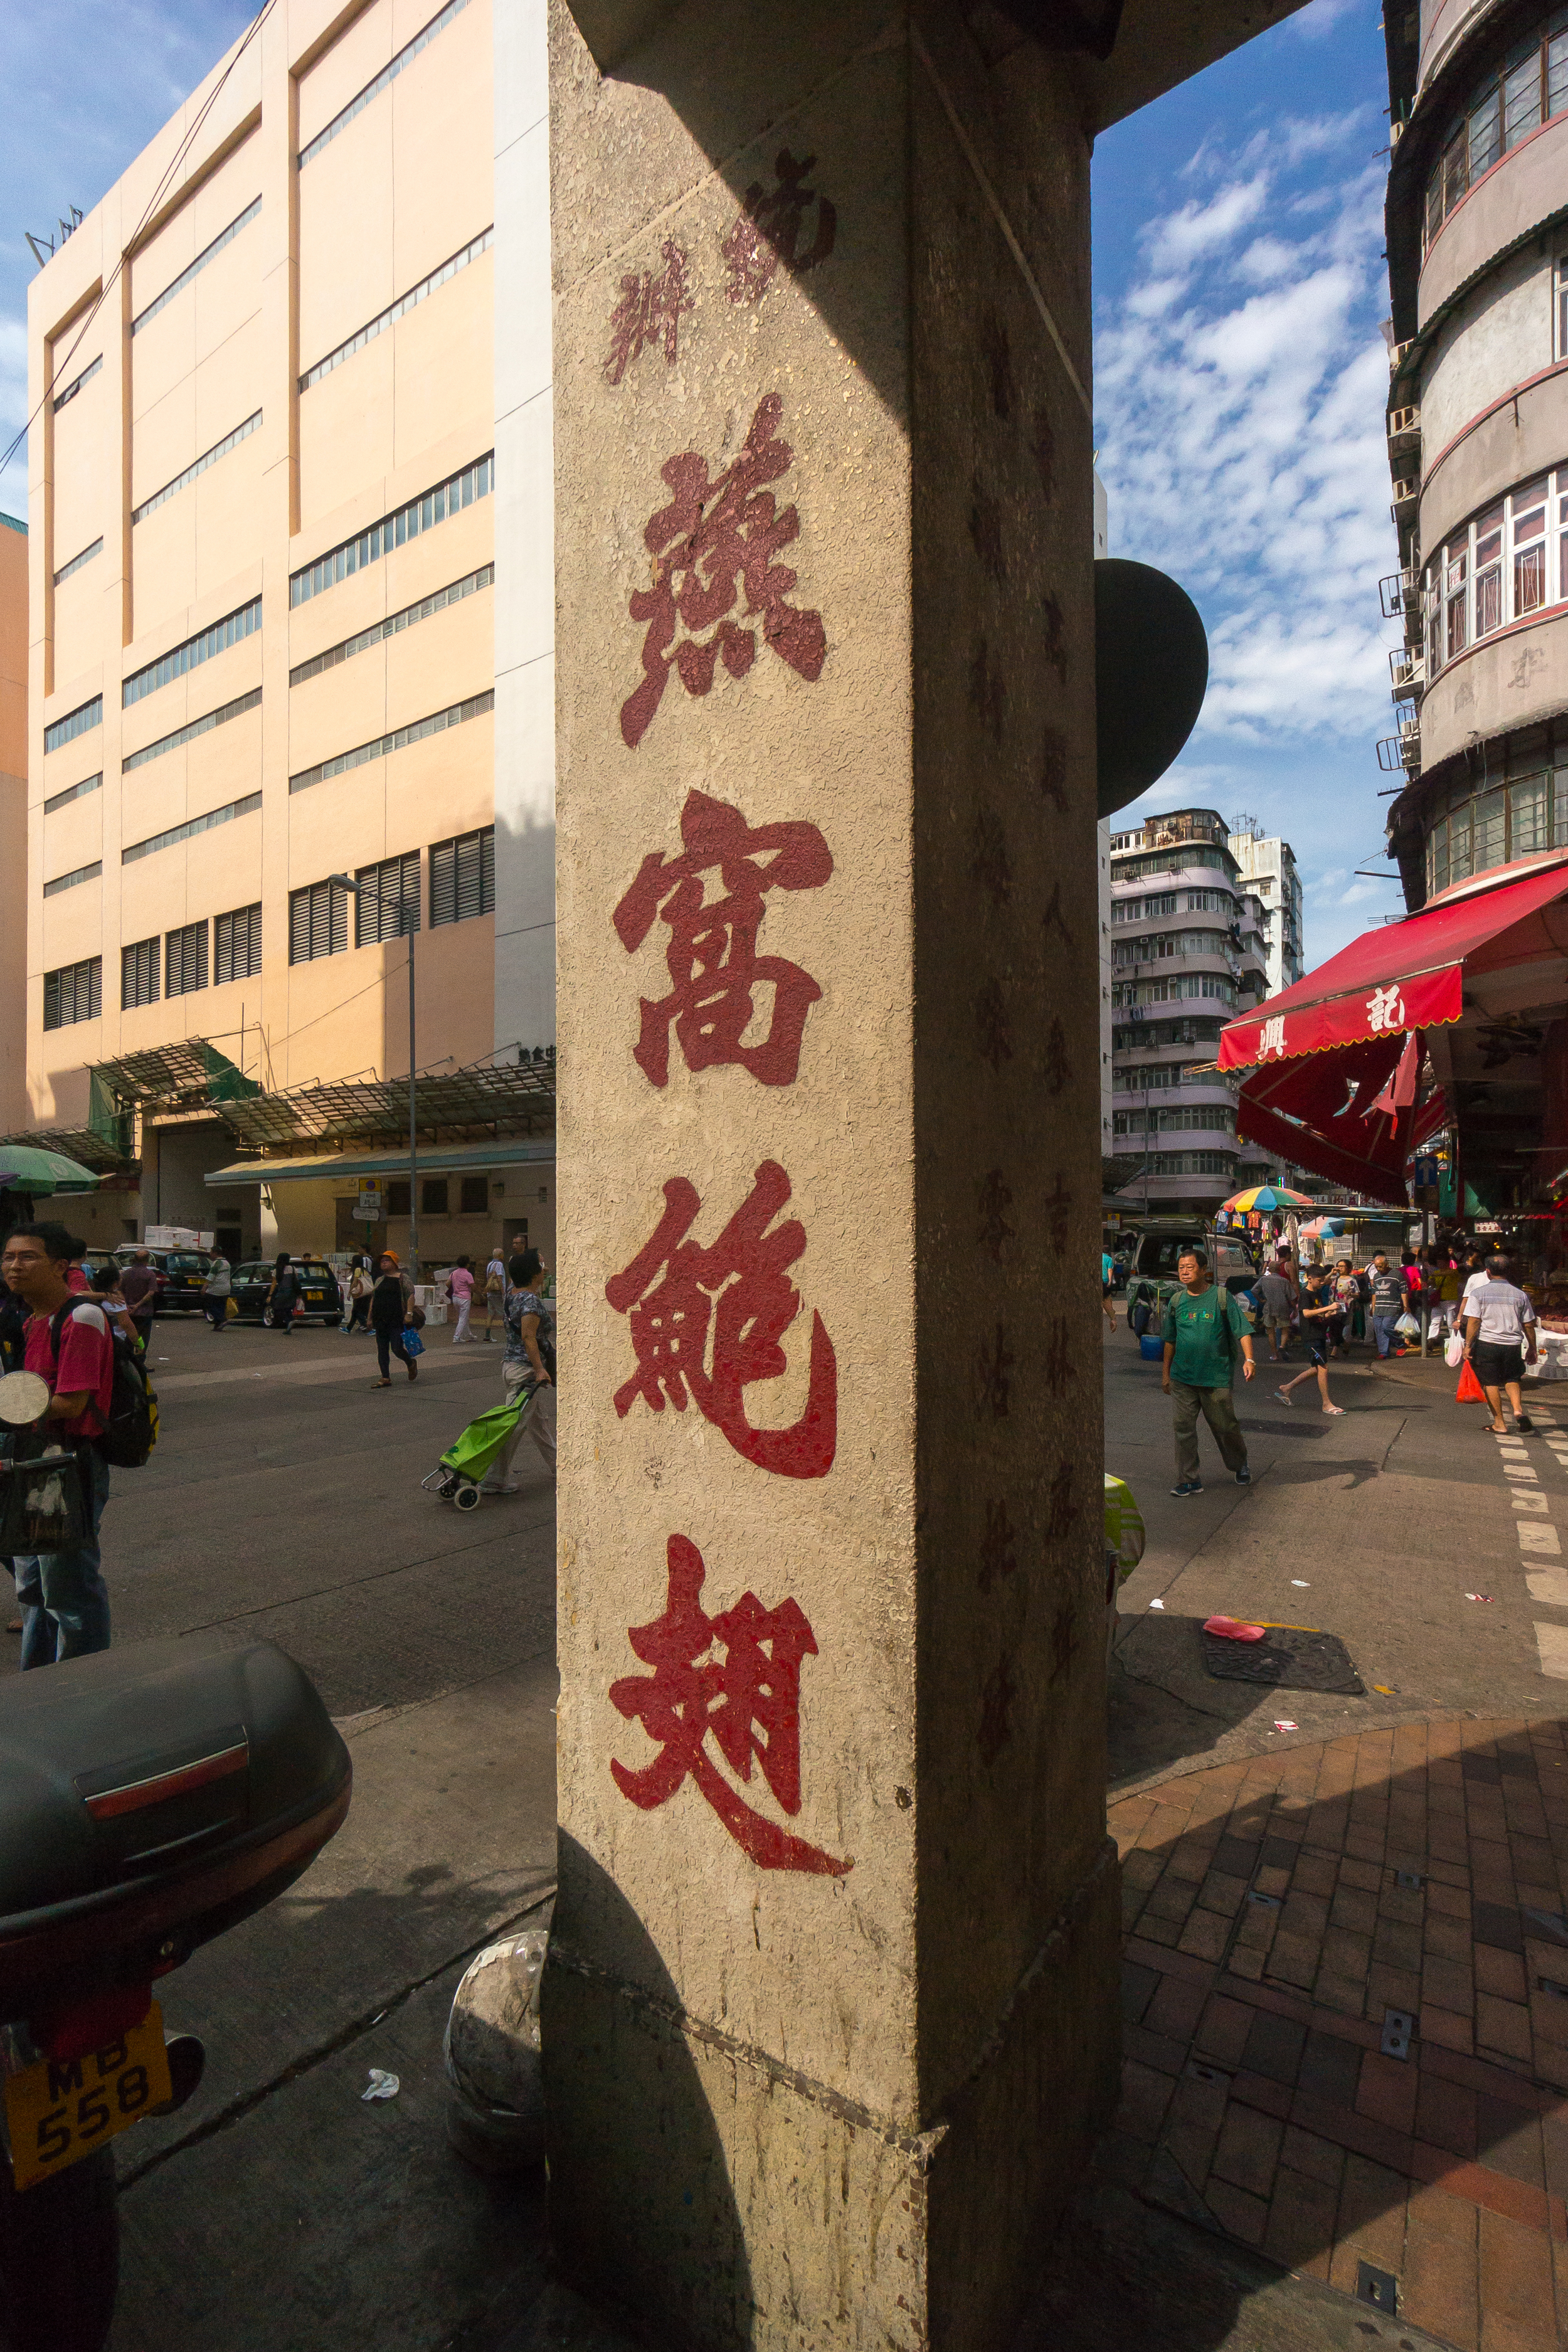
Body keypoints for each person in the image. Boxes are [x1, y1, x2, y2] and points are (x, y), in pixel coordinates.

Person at [0, 1223, 115, 1669]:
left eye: (27, 1256)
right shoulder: (30, 1319)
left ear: (60, 1266)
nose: (14, 1265)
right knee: (31, 1589)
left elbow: (70, 1403)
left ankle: (82, 1684)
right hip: (32, 1460)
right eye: (8, 1257)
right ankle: (39, 1683)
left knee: (68, 1590)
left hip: (68, 1465)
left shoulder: (81, 1317)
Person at [1160, 1248, 1256, 1496]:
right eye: (1181, 1268)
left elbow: (1242, 1330)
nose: (1184, 1272)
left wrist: (1250, 1359)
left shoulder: (1222, 1297)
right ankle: (1189, 1479)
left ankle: (1239, 1464)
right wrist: (1165, 1374)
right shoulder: (1177, 1301)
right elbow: (1170, 1340)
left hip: (1216, 1377)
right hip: (1183, 1377)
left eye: (1190, 1268)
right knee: (1183, 1429)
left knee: (1225, 1427)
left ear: (1204, 1271)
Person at [482, 1248, 557, 1493]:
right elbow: (528, 1337)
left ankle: (561, 1466)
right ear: (532, 1274)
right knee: (512, 1427)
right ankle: (493, 1479)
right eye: (540, 1267)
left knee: (538, 1423)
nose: (544, 1270)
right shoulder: (529, 1300)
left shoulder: (511, 1294)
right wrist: (539, 1370)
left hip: (511, 1366)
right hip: (525, 1371)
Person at [1463, 1254, 1539, 1435]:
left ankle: (1499, 1423)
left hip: (1487, 1344)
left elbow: (1473, 1322)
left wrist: (1467, 1345)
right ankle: (1518, 1410)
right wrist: (1532, 1348)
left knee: (1490, 1382)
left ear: (1488, 1272)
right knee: (1512, 1379)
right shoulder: (1520, 1295)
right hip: (1512, 1344)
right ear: (1508, 1272)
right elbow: (1529, 1324)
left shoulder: (1478, 1294)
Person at [1275, 1264, 1348, 1416]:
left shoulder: (1316, 1293)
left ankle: (1287, 1388)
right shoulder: (1305, 1295)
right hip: (1311, 1336)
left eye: (1323, 1280)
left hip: (1319, 1333)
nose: (1323, 1283)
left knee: (1317, 1368)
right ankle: (1326, 1403)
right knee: (1323, 1367)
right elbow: (1307, 1313)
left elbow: (1317, 1315)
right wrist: (1327, 1309)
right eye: (1320, 1280)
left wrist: (1330, 1313)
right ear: (1310, 1279)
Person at [370, 1253, 418, 1386]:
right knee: (382, 1349)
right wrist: (369, 1318)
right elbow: (374, 1299)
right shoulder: (379, 1280)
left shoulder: (403, 1278)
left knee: (397, 1348)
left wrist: (409, 1314)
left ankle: (410, 1362)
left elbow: (410, 1296)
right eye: (382, 1261)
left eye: (387, 1261)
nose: (384, 1263)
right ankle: (385, 1377)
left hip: (397, 1319)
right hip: (380, 1320)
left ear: (395, 1263)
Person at [1365, 1251, 1409, 1360]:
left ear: (1387, 1264)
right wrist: (1373, 1308)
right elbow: (1374, 1293)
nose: (1379, 1269)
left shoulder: (1397, 1274)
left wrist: (1406, 1306)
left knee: (1387, 1327)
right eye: (1376, 1267)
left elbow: (1404, 1290)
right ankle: (1384, 1352)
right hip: (1379, 1308)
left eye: (1380, 1266)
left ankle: (1400, 1343)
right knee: (1379, 1330)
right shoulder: (1376, 1276)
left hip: (1392, 1307)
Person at [1253, 1260, 1295, 1362]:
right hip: (1282, 1307)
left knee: (1271, 1331)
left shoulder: (1263, 1280)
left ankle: (1274, 1354)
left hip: (1268, 1307)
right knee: (1285, 1328)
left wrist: (1261, 1300)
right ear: (1279, 1269)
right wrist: (1295, 1308)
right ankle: (1282, 1346)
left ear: (1269, 1270)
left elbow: (1253, 1290)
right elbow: (1291, 1297)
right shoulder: (1284, 1281)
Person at [119, 1248, 158, 1349]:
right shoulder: (150, 1274)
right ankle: (140, 1358)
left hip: (127, 1312)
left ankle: (129, 1359)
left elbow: (120, 1291)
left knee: (129, 1336)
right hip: (145, 1312)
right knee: (143, 1338)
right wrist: (137, 1305)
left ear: (134, 1259)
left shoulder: (126, 1273)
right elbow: (151, 1292)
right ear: (147, 1260)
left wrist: (127, 1305)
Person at [267, 1251, 301, 1335]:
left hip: (282, 1292)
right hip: (292, 1292)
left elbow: (274, 1284)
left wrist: (270, 1295)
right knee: (288, 1308)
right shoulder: (293, 1268)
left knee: (278, 1308)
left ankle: (289, 1321)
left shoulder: (277, 1270)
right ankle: (289, 1324)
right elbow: (296, 1280)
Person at [447, 1254, 476, 1345]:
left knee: (463, 1317)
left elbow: (447, 1284)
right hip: (465, 1298)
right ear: (467, 1264)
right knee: (463, 1318)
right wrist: (481, 1293)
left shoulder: (454, 1273)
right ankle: (457, 1336)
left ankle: (469, 1334)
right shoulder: (468, 1274)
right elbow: (473, 1286)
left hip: (455, 1297)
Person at [204, 1246, 231, 1331]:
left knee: (208, 1305)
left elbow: (211, 1276)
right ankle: (218, 1325)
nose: (210, 1254)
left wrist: (204, 1287)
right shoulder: (227, 1263)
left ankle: (223, 1319)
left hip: (216, 1289)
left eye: (212, 1252)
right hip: (226, 1289)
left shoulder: (217, 1263)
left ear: (216, 1253)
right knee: (221, 1307)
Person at [344, 1256, 374, 1335]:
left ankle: (369, 1327)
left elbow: (355, 1282)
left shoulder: (358, 1270)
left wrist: (350, 1292)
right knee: (358, 1311)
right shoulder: (365, 1270)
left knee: (356, 1311)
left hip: (360, 1294)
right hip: (367, 1294)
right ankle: (348, 1328)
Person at [484, 1246, 507, 1341]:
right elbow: (499, 1278)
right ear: (500, 1255)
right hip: (497, 1293)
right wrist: (503, 1292)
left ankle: (487, 1336)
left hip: (490, 1292)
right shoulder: (499, 1265)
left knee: (491, 1314)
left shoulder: (490, 1264)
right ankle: (510, 1334)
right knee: (505, 1313)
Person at [1101, 1248, 1117, 1335]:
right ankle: (1113, 1319)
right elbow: (1110, 1270)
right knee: (1106, 1299)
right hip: (1105, 1281)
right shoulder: (1109, 1259)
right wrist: (1110, 1281)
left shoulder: (1097, 1257)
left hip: (1098, 1282)